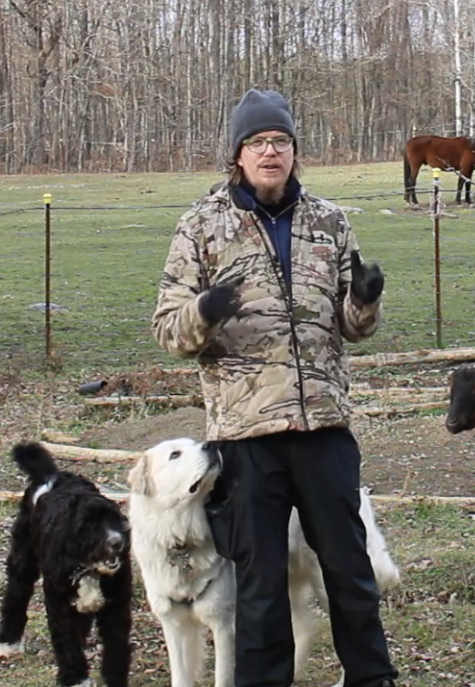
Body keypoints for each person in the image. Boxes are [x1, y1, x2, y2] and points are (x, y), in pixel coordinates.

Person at [152, 88, 398, 687]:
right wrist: (204, 310)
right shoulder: (201, 228)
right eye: (258, 143)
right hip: (245, 437)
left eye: (281, 142)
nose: (270, 152)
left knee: (350, 575)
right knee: (260, 593)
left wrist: (364, 300)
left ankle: (372, 679)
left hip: (325, 431)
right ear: (237, 154)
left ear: (294, 153)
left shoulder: (329, 221)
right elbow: (168, 330)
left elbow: (352, 328)